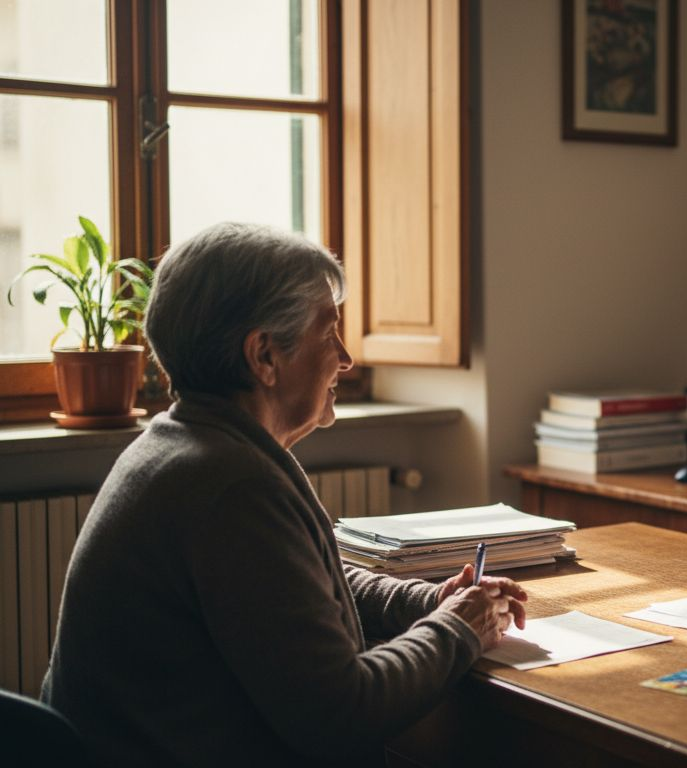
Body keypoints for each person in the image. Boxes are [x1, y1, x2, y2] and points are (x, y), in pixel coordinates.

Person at [42, 222, 527, 766]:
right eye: (329, 333)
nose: (345, 358)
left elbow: (296, 590)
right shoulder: (229, 484)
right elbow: (344, 716)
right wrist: (458, 627)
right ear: (264, 357)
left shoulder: (188, 442)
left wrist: (426, 601)